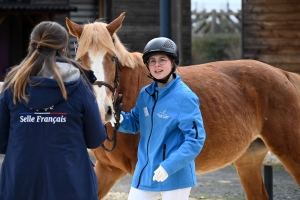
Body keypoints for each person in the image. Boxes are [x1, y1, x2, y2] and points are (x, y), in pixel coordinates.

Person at [0, 21, 107, 200]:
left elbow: (1, 142)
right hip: (71, 184)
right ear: (64, 48)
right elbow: (95, 139)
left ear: (32, 45)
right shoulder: (81, 85)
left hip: (20, 184)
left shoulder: (13, 84)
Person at [117, 37, 206, 200]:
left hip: (174, 176)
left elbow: (195, 140)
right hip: (145, 173)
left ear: (173, 62)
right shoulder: (145, 94)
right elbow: (135, 123)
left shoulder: (185, 98)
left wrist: (168, 166)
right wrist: (117, 118)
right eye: (152, 61)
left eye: (162, 60)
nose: (157, 65)